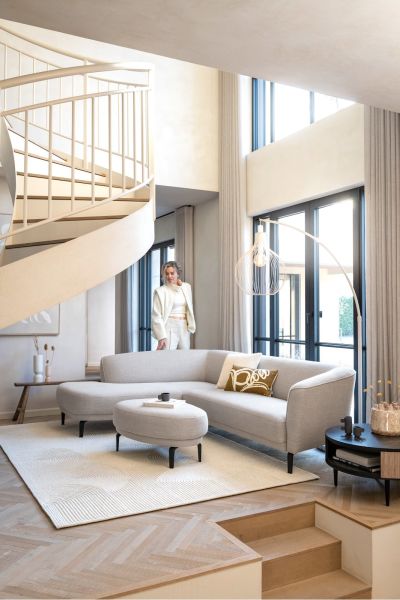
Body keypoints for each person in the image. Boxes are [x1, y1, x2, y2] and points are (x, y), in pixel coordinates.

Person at [151, 261, 196, 350]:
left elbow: (189, 309)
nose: (169, 276)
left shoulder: (186, 287)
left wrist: (179, 284)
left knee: (185, 356)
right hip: (169, 327)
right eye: (167, 274)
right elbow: (156, 316)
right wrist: (161, 336)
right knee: (167, 356)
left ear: (178, 274)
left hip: (184, 327)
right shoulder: (160, 291)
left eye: (172, 273)